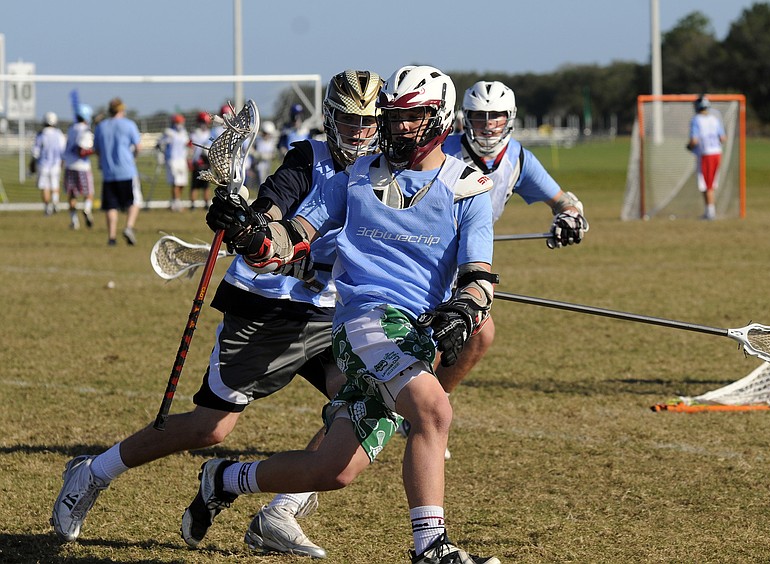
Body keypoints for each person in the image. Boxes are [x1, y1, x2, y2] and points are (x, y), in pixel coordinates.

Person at [50, 69, 384, 560]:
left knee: (365, 400)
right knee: (211, 428)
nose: (358, 132)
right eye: (348, 121)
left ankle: (281, 511)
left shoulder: (382, 167)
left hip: (330, 311)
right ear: (330, 119)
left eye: (368, 122)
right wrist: (250, 226)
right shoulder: (306, 158)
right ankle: (91, 472)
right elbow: (275, 208)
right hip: (269, 306)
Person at [181, 65, 501, 564]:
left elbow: (480, 277)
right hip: (365, 323)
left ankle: (223, 479)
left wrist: (464, 308)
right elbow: (283, 245)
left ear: (440, 117)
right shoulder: (354, 178)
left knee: (333, 470)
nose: (398, 127)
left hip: (413, 332)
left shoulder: (468, 188)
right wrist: (248, 234)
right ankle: (431, 549)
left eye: (412, 117)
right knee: (434, 411)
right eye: (393, 117)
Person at [437, 80, 587, 399]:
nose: (488, 125)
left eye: (496, 116)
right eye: (479, 116)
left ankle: (430, 402)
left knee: (479, 335)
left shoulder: (518, 158)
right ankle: (415, 406)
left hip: (466, 263)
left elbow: (564, 202)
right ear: (466, 118)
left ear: (510, 118)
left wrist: (570, 218)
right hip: (421, 256)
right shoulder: (440, 150)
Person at [93, 97, 142, 245]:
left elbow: (97, 149)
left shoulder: (101, 126)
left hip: (109, 172)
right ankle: (128, 227)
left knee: (111, 205)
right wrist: (133, 157)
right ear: (121, 110)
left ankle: (112, 237)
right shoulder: (129, 125)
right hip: (127, 170)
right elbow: (138, 147)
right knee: (134, 201)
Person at [687, 95, 726, 220]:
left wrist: (689, 147)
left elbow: (694, 140)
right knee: (711, 183)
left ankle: (710, 212)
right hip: (717, 153)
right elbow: (723, 138)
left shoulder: (696, 120)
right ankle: (709, 211)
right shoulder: (714, 119)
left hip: (706, 154)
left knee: (706, 184)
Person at [63, 104, 96, 229]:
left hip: (69, 166)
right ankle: (87, 209)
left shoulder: (71, 128)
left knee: (72, 195)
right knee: (89, 193)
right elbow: (81, 151)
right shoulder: (85, 130)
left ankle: (74, 221)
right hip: (82, 166)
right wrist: (95, 151)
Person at [31, 111, 66, 216]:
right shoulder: (59, 134)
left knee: (45, 186)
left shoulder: (41, 135)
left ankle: (47, 208)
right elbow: (63, 150)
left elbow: (35, 152)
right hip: (56, 164)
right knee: (55, 185)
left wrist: (32, 163)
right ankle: (55, 203)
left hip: (43, 165)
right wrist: (62, 162)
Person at [157, 114, 191, 212]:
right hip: (172, 160)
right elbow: (160, 144)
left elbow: (187, 145)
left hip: (182, 160)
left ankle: (175, 202)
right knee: (175, 182)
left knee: (182, 182)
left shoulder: (184, 133)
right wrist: (162, 156)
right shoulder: (169, 133)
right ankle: (176, 204)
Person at [188, 111, 212, 210]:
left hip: (207, 162)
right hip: (197, 162)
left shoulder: (210, 134)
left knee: (206, 185)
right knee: (195, 185)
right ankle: (193, 204)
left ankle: (206, 203)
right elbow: (190, 148)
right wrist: (190, 160)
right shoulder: (194, 134)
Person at [251, 120, 279, 189]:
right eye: (265, 133)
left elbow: (274, 154)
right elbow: (252, 150)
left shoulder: (272, 143)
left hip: (268, 166)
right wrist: (257, 155)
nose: (266, 135)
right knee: (258, 184)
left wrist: (268, 156)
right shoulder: (258, 140)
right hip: (258, 166)